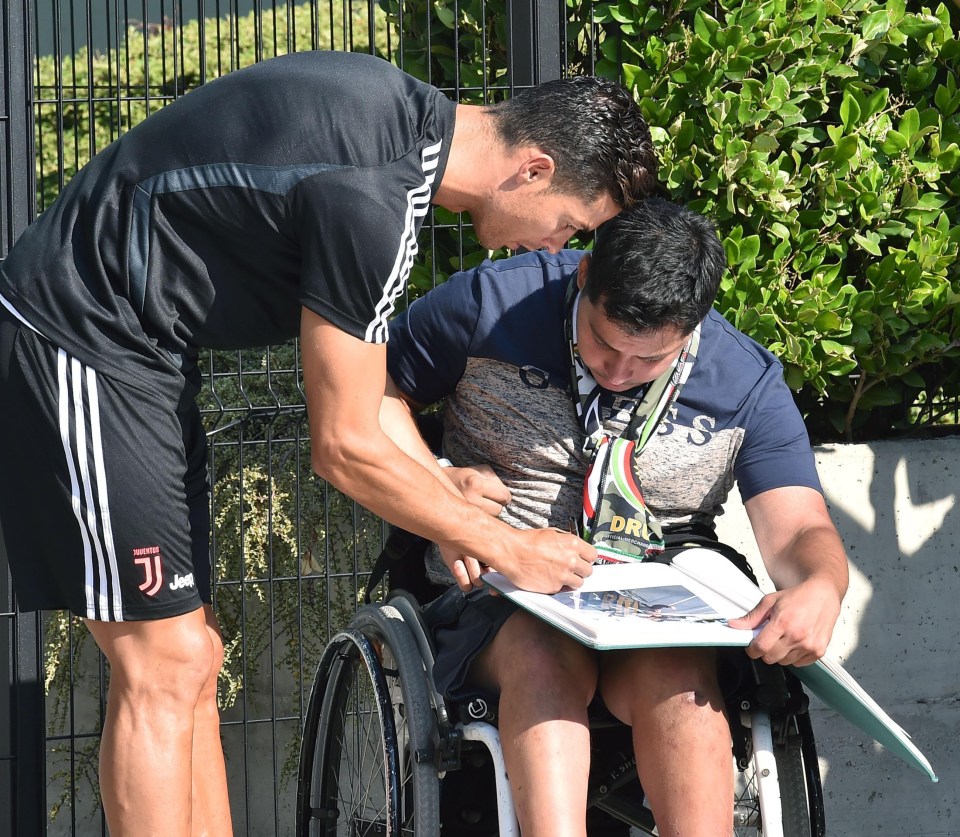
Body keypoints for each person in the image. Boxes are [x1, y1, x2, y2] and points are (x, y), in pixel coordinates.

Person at [0, 50, 658, 835]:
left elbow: (365, 397)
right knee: (162, 662)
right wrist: (501, 543)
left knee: (194, 657)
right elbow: (342, 444)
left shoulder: (397, 129)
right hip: (78, 334)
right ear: (534, 169)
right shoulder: (375, 193)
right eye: (569, 227)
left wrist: (442, 487)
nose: (554, 250)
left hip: (138, 354)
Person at [381, 198, 850, 837]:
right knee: (541, 654)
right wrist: (434, 483)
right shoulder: (488, 306)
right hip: (503, 584)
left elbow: (798, 528)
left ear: (693, 328)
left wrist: (823, 586)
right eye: (602, 343)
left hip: (655, 593)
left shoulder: (745, 381)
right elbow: (364, 394)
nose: (618, 373)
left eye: (648, 361)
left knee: (681, 672)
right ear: (583, 279)